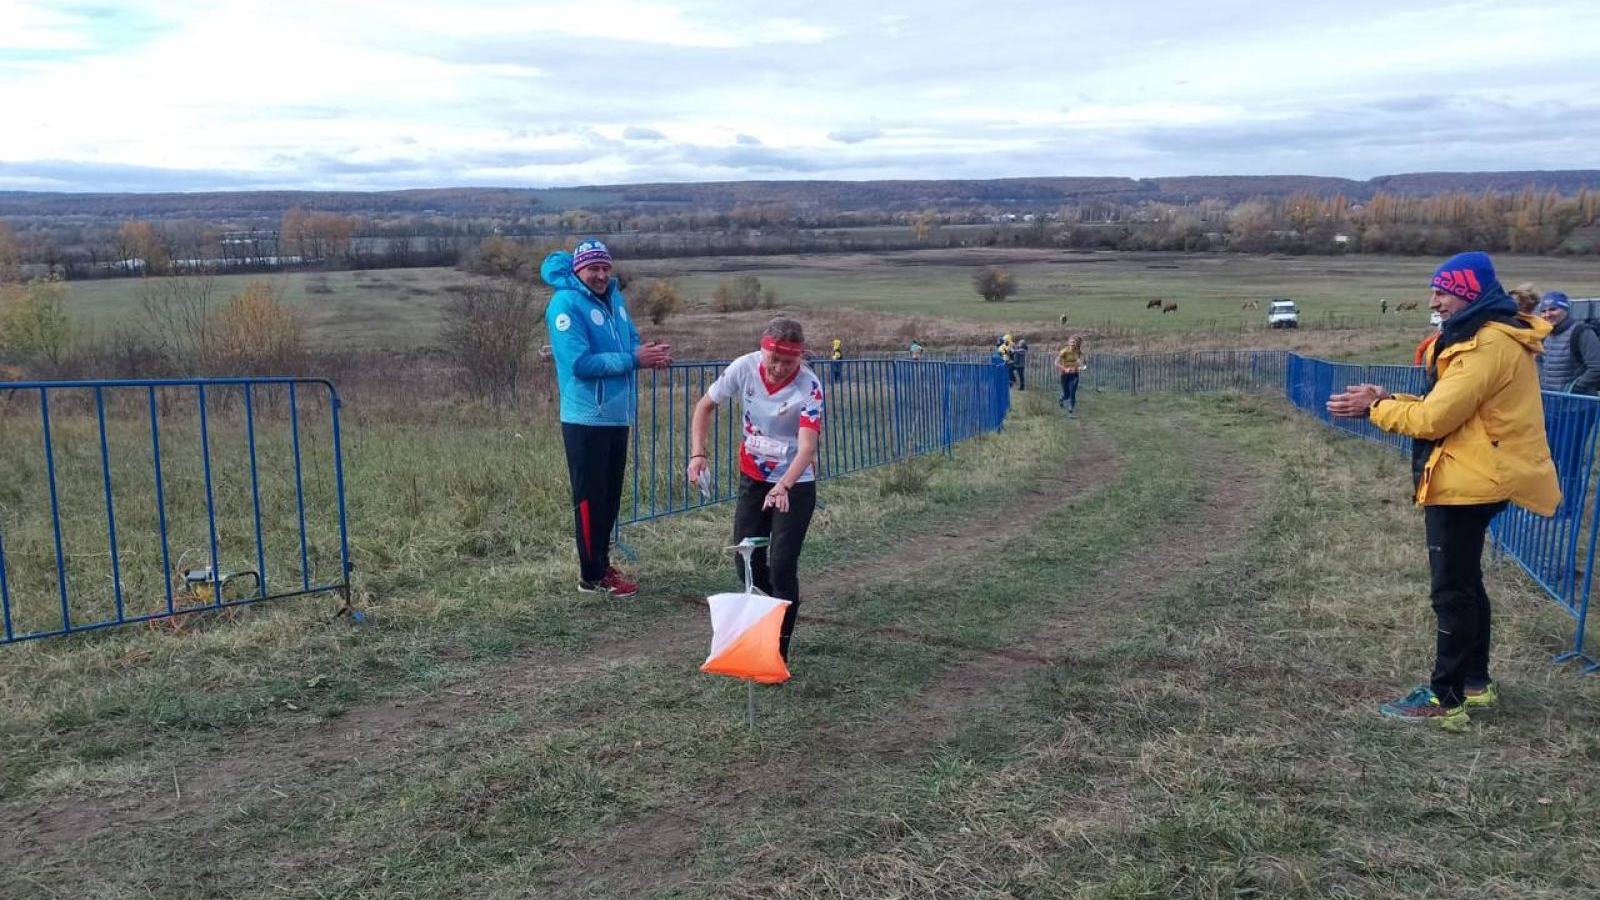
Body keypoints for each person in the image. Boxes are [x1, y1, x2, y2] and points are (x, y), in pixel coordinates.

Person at [1327, 251, 1558, 730]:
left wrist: (1374, 409)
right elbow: (1446, 406)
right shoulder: (1482, 338)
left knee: (1452, 589)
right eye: (1434, 290)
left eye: (1443, 291)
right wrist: (1388, 399)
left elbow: (1434, 418)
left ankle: (1444, 699)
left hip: (1468, 479)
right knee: (1467, 583)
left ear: (1470, 293)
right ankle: (1475, 684)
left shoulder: (1487, 345)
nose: (1434, 300)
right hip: (1474, 470)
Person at [688, 317, 823, 663]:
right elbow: (704, 407)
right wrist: (698, 454)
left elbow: (807, 447)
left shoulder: (810, 385)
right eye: (772, 359)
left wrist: (784, 485)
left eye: (788, 362)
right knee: (745, 558)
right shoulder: (743, 368)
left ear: (801, 358)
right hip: (754, 477)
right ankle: (760, 627)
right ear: (762, 350)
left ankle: (778, 650)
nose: (778, 368)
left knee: (781, 565)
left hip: (794, 483)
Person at [545, 238, 672, 597]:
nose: (600, 275)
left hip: (617, 415)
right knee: (590, 499)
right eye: (592, 269)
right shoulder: (564, 304)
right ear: (577, 270)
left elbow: (629, 341)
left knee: (610, 497)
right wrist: (633, 360)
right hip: (585, 417)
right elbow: (580, 364)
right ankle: (591, 575)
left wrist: (649, 354)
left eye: (605, 268)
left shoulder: (614, 298)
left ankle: (602, 564)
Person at [1535, 291, 1600, 395]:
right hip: (1551, 403)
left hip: (1579, 406)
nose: (1547, 315)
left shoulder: (1582, 332)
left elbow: (1597, 367)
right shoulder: (1543, 334)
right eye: (1543, 311)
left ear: (1565, 310)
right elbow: (1539, 362)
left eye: (1553, 309)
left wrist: (1574, 388)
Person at [1056, 335, 1087, 417]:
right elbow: (1056, 362)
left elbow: (1079, 361)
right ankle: (1061, 399)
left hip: (1074, 374)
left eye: (1074, 342)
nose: (1073, 344)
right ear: (1069, 343)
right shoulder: (1064, 351)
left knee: (1072, 392)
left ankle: (1071, 411)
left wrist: (1082, 367)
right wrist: (1065, 369)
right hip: (1065, 375)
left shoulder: (1077, 352)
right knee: (1066, 394)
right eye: (1072, 342)